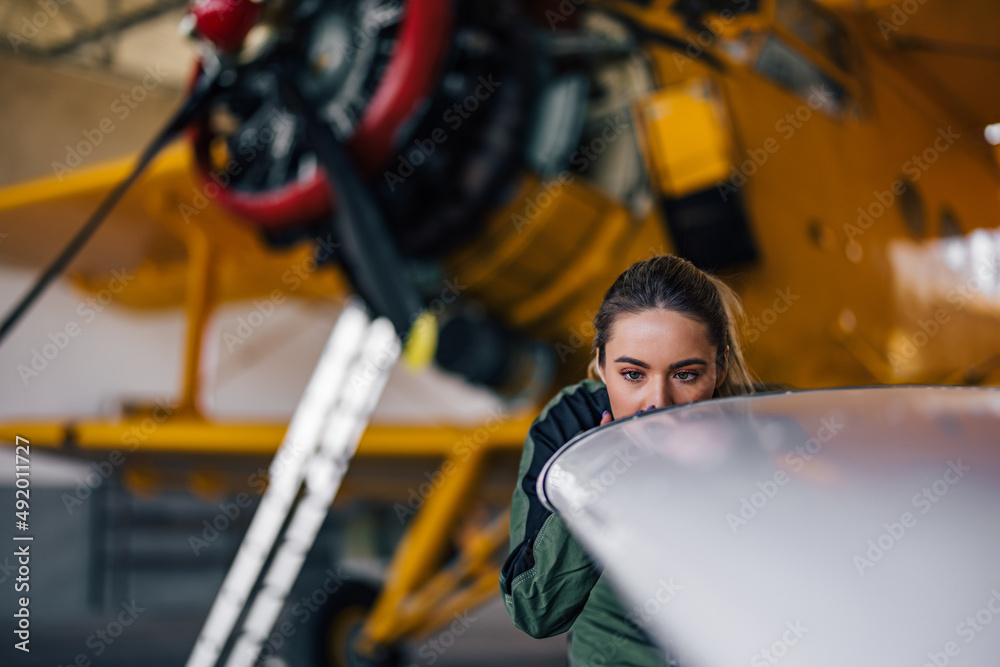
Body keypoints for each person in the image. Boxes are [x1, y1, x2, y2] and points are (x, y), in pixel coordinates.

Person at [499, 254, 760, 666]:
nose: (657, 403)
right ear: (601, 364)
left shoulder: (766, 428)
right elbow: (535, 611)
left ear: (720, 366)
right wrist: (598, 480)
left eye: (686, 374)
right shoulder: (570, 424)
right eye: (633, 375)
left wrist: (722, 471)